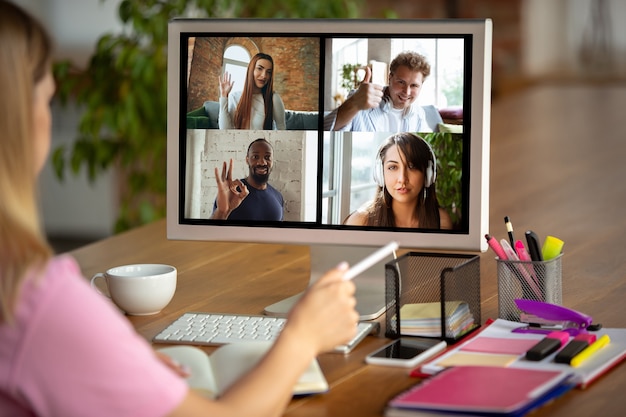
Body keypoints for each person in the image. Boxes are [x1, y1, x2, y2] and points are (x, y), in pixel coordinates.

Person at [0, 3, 359, 416]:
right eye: (47, 99)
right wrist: (301, 338)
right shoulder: (35, 304)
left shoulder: (278, 138)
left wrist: (113, 363)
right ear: (20, 120)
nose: (262, 162)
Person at [344, 132, 453, 229]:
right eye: (392, 167)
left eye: (412, 166)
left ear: (428, 174)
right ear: (380, 173)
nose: (402, 179)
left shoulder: (440, 222)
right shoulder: (359, 221)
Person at [324, 51, 433, 133]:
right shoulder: (360, 98)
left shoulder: (418, 113)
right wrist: (354, 103)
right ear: (389, 78)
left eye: (414, 85)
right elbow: (325, 130)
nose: (407, 92)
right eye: (401, 82)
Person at [210, 138, 284, 221]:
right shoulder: (233, 192)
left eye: (267, 157)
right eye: (255, 157)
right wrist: (222, 212)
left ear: (273, 161)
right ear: (247, 160)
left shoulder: (278, 197)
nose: (262, 162)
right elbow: (211, 231)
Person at [218, 52, 286, 130]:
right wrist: (224, 96)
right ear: (251, 70)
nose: (264, 75)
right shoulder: (234, 97)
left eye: (269, 72)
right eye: (260, 69)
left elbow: (281, 129)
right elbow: (225, 130)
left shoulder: (273, 98)